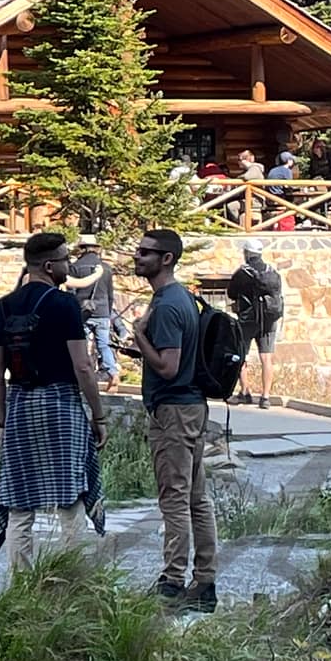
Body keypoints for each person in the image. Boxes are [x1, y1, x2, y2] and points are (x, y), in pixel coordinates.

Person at [0, 233, 108, 576]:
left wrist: (3, 417)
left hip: (21, 404)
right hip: (61, 404)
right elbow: (83, 366)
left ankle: (20, 585)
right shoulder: (64, 304)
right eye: (64, 260)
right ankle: (74, 581)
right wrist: (97, 415)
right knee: (70, 499)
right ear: (48, 265)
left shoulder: (2, 308)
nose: (68, 266)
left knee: (19, 504)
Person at [131, 227, 217, 611]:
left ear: (166, 259)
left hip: (174, 410)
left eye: (146, 252)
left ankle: (172, 582)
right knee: (197, 499)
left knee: (175, 498)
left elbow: (168, 366)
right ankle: (205, 582)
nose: (138, 257)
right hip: (192, 407)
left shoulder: (167, 305)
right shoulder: (182, 298)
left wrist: (138, 338)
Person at [227, 239, 284, 407]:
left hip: (248, 320)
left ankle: (245, 392)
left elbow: (231, 293)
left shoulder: (242, 273)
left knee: (240, 355)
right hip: (269, 319)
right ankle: (265, 397)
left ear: (246, 253)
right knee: (266, 358)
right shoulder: (271, 271)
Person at [66, 235, 118, 392]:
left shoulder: (75, 267)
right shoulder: (106, 268)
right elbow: (110, 294)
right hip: (102, 311)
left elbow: (71, 292)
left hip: (82, 311)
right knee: (103, 344)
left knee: (80, 345)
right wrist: (108, 314)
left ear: (81, 248)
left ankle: (80, 377)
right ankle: (112, 373)